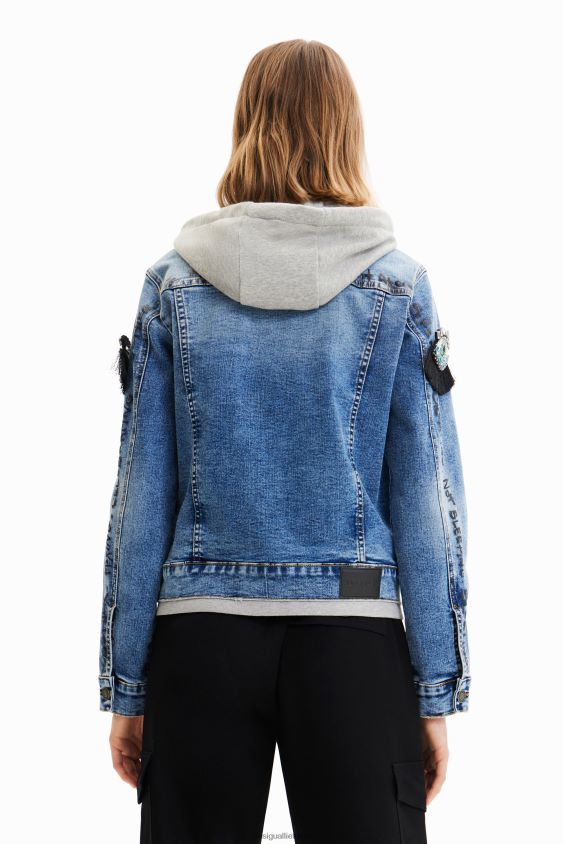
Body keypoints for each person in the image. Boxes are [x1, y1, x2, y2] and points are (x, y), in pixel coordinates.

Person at [98, 38, 470, 844]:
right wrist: (433, 692)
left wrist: (129, 687)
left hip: (199, 634)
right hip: (353, 628)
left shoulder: (172, 285)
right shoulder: (397, 285)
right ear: (347, 131)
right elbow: (426, 502)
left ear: (245, 127)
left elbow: (142, 496)